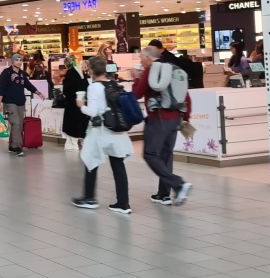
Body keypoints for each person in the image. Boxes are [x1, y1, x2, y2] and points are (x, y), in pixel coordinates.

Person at [133, 46, 193, 206]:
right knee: (166, 155)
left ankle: (179, 185)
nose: (140, 61)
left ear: (148, 57)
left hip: (158, 118)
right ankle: (163, 194)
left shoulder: (151, 70)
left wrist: (137, 78)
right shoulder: (173, 69)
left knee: (150, 154)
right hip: (175, 119)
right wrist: (185, 119)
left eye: (141, 58)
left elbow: (137, 94)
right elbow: (186, 96)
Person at [72, 57, 133, 214]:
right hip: (117, 131)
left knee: (90, 161)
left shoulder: (94, 87)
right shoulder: (114, 84)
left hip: (100, 131)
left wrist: (81, 105)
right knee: (118, 165)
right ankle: (123, 203)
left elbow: (92, 112)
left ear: (91, 71)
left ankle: (89, 198)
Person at [0, 54, 45, 156]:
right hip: (9, 102)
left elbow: (28, 85)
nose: (19, 62)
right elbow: (1, 89)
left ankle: (12, 145)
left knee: (19, 125)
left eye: (20, 60)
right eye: (17, 60)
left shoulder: (22, 74)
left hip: (21, 102)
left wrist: (38, 93)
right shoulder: (6, 73)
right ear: (12, 62)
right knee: (16, 123)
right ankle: (18, 147)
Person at [61, 54, 89, 152]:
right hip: (82, 103)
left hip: (72, 104)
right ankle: (82, 141)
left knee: (72, 124)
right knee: (82, 123)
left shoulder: (71, 72)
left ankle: (72, 144)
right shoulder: (82, 73)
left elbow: (66, 90)